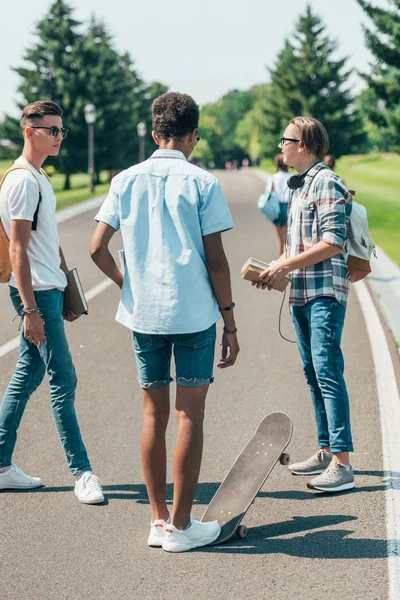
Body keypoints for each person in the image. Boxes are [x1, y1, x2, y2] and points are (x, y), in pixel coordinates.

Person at [90, 92, 239, 551]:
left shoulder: (124, 180)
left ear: (155, 133)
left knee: (153, 413)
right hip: (193, 313)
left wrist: (126, 285)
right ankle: (182, 525)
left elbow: (96, 248)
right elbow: (216, 261)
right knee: (189, 413)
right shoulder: (202, 182)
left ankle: (157, 522)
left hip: (145, 316)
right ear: (193, 134)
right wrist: (230, 322)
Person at [0, 101, 104, 504]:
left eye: (62, 131)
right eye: (52, 130)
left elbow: (48, 240)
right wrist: (30, 309)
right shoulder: (23, 181)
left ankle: (2, 465)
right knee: (64, 379)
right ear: (29, 131)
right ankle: (83, 473)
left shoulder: (40, 176)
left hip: (49, 287)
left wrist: (66, 281)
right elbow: (19, 251)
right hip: (36, 293)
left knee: (28, 374)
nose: (59, 137)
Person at [253, 116, 355, 493]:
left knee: (328, 372)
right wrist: (279, 271)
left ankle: (343, 464)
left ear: (305, 145)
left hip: (324, 294)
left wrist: (283, 262)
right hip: (301, 292)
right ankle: (326, 450)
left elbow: (333, 242)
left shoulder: (326, 182)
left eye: (287, 139)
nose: (281, 144)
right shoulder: (299, 186)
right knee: (313, 373)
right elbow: (300, 247)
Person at [270, 154, 291, 256]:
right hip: (289, 206)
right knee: (289, 238)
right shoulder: (291, 177)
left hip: (277, 207)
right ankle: (287, 259)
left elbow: (270, 192)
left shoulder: (274, 177)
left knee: (280, 238)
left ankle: (280, 259)